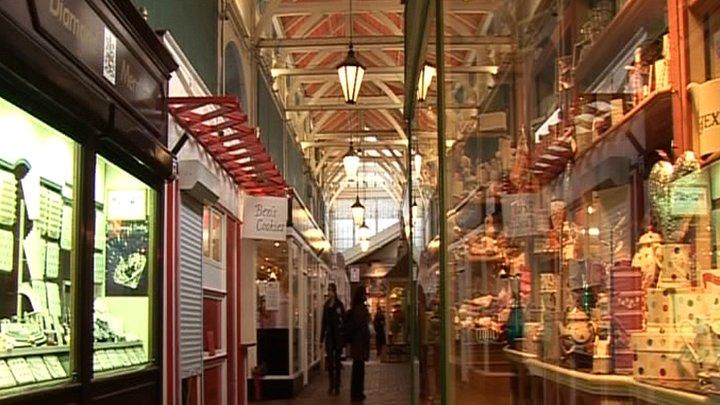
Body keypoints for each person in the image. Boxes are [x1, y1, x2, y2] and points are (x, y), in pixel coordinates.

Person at [320, 283, 345, 396]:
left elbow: (344, 320)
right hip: (330, 336)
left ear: (334, 292)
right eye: (328, 290)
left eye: (331, 290)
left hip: (338, 335)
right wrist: (321, 338)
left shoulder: (339, 305)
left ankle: (337, 384)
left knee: (337, 361)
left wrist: (343, 336)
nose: (329, 292)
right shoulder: (326, 306)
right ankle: (331, 384)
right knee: (330, 361)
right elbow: (323, 322)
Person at [346, 286, 370, 401]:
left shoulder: (355, 308)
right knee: (359, 369)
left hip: (356, 343)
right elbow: (363, 328)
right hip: (360, 343)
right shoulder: (361, 310)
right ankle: (358, 392)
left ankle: (355, 392)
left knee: (357, 368)